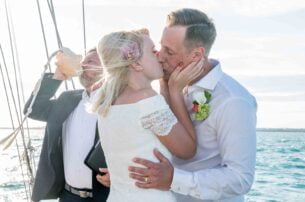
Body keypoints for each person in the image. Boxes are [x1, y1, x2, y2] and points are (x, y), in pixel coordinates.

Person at [128, 8, 257, 202]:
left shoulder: (233, 101)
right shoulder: (172, 83)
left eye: (169, 51)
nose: (160, 56)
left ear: (196, 55)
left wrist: (174, 179)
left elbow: (240, 179)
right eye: (161, 47)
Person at [91, 28, 201, 202]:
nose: (159, 55)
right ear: (135, 64)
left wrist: (164, 84)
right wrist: (176, 92)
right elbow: (188, 150)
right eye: (153, 51)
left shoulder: (108, 102)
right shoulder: (147, 100)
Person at [23, 48, 110, 202]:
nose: (83, 65)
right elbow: (32, 110)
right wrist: (58, 77)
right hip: (68, 196)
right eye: (83, 62)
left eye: (90, 61)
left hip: (106, 197)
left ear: (107, 68)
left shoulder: (117, 102)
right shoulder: (67, 99)